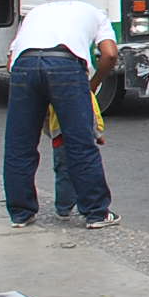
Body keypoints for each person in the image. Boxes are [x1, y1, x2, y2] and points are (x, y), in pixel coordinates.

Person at [4, 0, 119, 228]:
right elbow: (110, 54)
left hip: (24, 65)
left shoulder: (36, 13)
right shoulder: (97, 13)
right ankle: (96, 213)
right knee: (80, 142)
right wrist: (93, 83)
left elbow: (10, 63)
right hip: (65, 64)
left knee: (20, 144)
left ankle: (20, 213)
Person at [46, 90, 106, 220]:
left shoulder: (52, 92)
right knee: (84, 171)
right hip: (80, 136)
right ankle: (89, 206)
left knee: (62, 173)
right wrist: (98, 134)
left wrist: (51, 133)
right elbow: (92, 114)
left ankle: (63, 208)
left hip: (58, 138)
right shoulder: (83, 90)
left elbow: (46, 116)